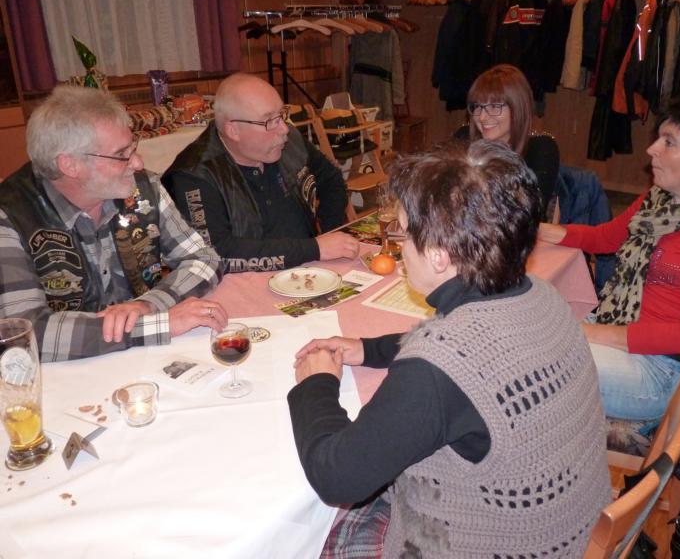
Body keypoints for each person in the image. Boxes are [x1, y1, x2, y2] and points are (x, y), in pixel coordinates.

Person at [290, 141, 610, 557]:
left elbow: (337, 477)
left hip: (492, 545)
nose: (401, 248)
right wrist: (368, 349)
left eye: (403, 234)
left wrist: (315, 384)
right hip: (566, 533)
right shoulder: (541, 295)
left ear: (439, 256)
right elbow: (477, 353)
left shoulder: (436, 370)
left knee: (305, 536)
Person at [538, 92, 680, 422]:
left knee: (532, 366)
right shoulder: (660, 200)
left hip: (657, 370)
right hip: (618, 333)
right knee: (525, 336)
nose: (652, 149)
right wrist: (542, 231)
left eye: (669, 142)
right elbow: (606, 237)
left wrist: (585, 332)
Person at [0, 85, 226, 362]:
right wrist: (155, 325)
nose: (138, 163)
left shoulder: (143, 189)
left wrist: (148, 305)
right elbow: (23, 332)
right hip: (65, 374)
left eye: (133, 148)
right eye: (121, 155)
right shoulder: (10, 216)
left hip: (142, 360)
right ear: (70, 165)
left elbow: (204, 258)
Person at [162, 73, 359, 273]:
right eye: (269, 121)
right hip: (243, 282)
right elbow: (215, 253)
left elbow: (332, 180)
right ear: (233, 130)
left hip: (307, 270)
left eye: (281, 115)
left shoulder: (289, 142)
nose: (284, 129)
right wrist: (314, 249)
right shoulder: (195, 175)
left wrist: (329, 234)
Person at [461, 63, 560, 208]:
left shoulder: (540, 149)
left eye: (494, 106)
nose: (482, 117)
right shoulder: (463, 138)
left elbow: (530, 210)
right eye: (477, 106)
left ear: (517, 108)